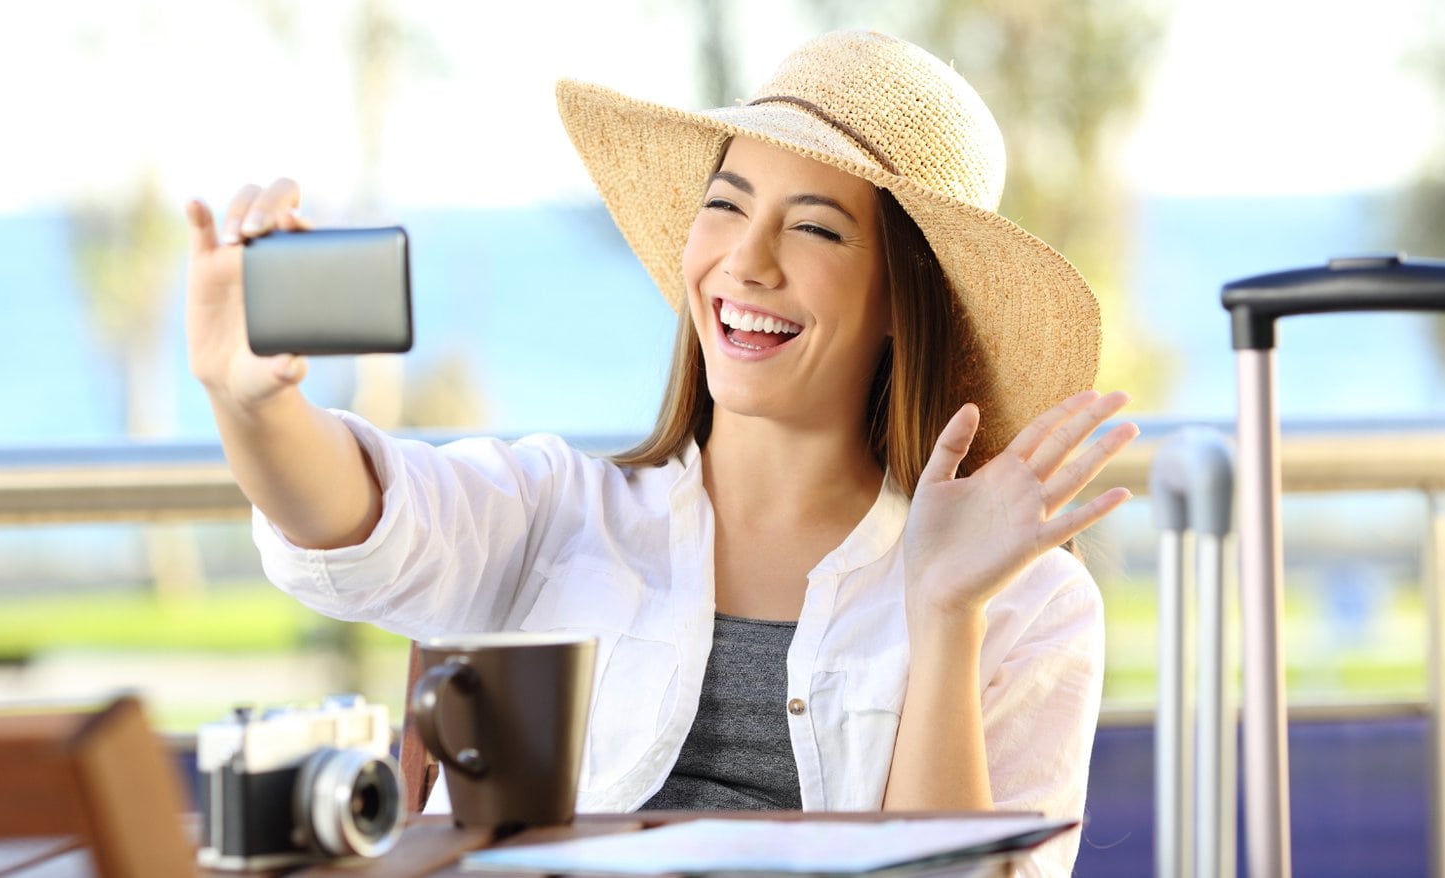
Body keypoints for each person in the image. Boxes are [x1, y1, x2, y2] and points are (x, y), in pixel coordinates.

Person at [185, 30, 1138, 877]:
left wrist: (942, 610)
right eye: (725, 206)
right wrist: (249, 402)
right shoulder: (556, 516)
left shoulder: (1026, 605)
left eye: (813, 226)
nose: (746, 261)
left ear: (902, 298)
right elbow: (355, 523)